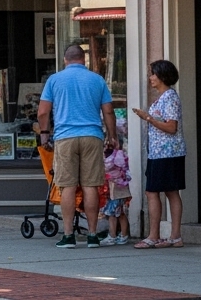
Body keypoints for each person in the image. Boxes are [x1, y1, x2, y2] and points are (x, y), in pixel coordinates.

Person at [38, 43, 117, 248]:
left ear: (65, 60)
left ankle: (68, 235)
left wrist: (45, 134)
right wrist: (112, 135)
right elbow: (108, 111)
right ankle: (92, 235)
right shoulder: (97, 79)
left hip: (65, 137)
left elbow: (43, 112)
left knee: (68, 187)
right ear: (84, 60)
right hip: (92, 136)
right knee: (91, 185)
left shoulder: (54, 80)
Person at [132, 59, 186, 248]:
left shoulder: (169, 97)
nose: (150, 78)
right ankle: (174, 236)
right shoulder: (165, 97)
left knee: (153, 191)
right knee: (170, 191)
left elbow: (171, 127)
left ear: (163, 76)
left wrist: (148, 118)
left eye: (153, 74)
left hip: (167, 152)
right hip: (160, 153)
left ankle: (155, 236)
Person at [101, 142, 132, 245]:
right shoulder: (118, 156)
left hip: (116, 190)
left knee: (113, 214)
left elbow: (107, 167)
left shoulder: (114, 157)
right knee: (119, 213)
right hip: (117, 190)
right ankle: (122, 235)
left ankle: (113, 236)